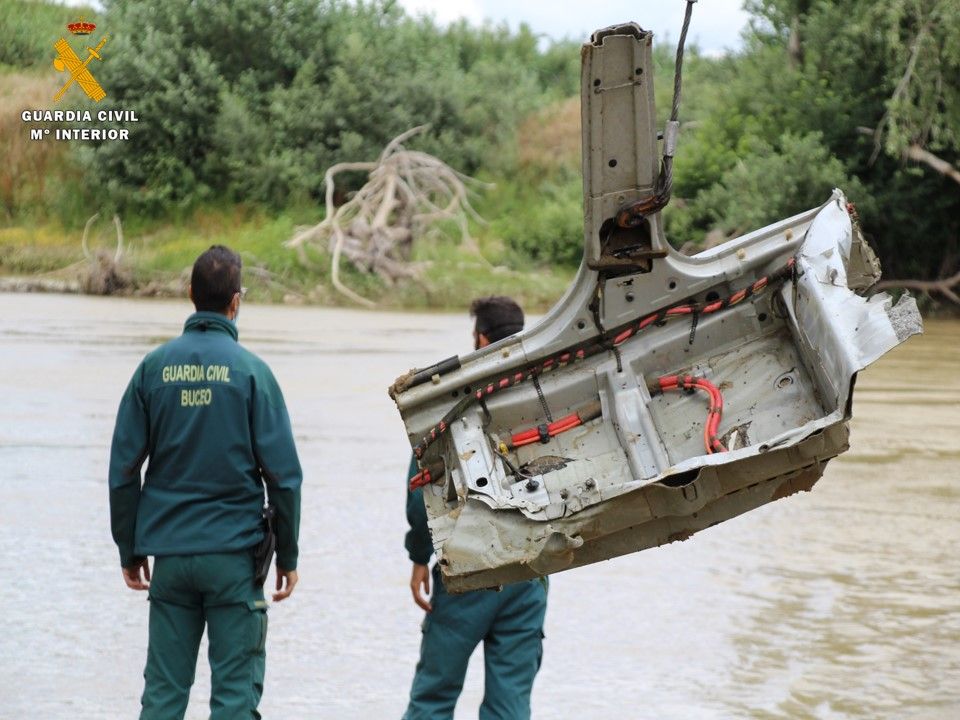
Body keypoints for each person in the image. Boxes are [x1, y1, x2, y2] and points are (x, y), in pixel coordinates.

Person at [108, 245, 302, 720]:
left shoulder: (152, 370)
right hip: (235, 558)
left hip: (170, 558)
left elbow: (123, 471)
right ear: (236, 302)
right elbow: (284, 478)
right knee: (235, 699)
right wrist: (289, 555)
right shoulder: (253, 373)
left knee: (162, 697)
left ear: (191, 294)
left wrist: (129, 549)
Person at [403, 296, 548, 720]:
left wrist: (417, 557)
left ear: (481, 338)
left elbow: (421, 492)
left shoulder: (454, 397)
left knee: (433, 697)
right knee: (510, 706)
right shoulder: (547, 391)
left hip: (468, 567)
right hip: (530, 571)